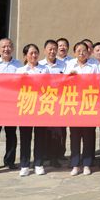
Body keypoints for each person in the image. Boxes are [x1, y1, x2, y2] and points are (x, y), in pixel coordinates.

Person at [65, 42, 99, 175]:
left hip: (89, 104)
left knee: (88, 135)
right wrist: (70, 77)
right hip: (74, 105)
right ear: (74, 53)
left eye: (84, 50)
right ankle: (75, 164)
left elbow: (98, 83)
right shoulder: (69, 65)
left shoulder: (93, 66)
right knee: (74, 135)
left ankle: (87, 164)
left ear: (88, 52)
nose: (81, 53)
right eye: (78, 50)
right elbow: (63, 83)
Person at [0, 37, 21, 172]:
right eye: (3, 47)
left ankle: (10, 160)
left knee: (11, 134)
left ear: (12, 48)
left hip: (12, 104)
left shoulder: (19, 65)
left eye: (9, 46)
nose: (6, 49)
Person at [15, 44, 48, 176]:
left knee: (40, 137)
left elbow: (50, 85)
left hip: (40, 107)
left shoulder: (44, 69)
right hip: (26, 107)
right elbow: (14, 89)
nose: (34, 55)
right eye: (31, 53)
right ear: (25, 56)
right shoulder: (20, 71)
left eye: (36, 53)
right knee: (25, 137)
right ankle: (24, 165)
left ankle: (39, 164)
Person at [39, 39, 66, 167]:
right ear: (45, 50)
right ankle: (43, 155)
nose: (52, 51)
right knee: (43, 131)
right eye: (50, 49)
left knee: (57, 132)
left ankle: (55, 157)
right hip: (43, 102)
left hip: (58, 103)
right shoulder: (40, 65)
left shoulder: (64, 65)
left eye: (55, 49)